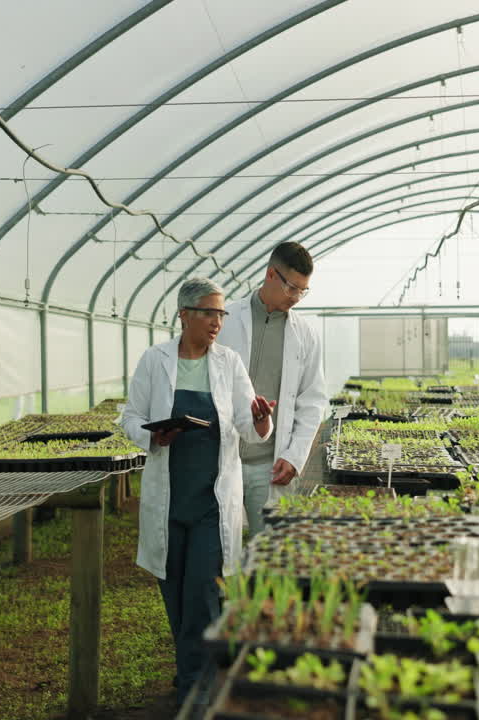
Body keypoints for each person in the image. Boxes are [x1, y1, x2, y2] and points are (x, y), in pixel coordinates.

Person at [119, 277, 275, 705]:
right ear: (184, 314)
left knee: (205, 595)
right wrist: (154, 436)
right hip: (169, 501)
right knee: (174, 593)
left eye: (221, 313)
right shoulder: (155, 360)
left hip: (213, 502)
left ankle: (197, 690)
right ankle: (191, 668)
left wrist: (261, 419)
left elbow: (248, 426)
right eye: (209, 312)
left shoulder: (229, 363)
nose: (217, 322)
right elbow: (130, 416)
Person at [216, 241, 328, 536]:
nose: (297, 298)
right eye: (292, 288)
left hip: (269, 464)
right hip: (221, 457)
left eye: (303, 290)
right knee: (216, 549)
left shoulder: (305, 335)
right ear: (270, 275)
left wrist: (295, 456)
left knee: (267, 552)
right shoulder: (223, 319)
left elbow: (313, 400)